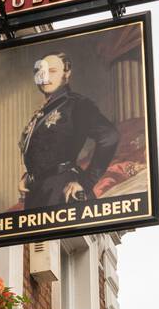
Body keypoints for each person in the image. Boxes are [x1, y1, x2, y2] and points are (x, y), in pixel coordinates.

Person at [17, 52, 119, 210]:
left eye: (52, 71)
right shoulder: (43, 111)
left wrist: (85, 182)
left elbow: (110, 136)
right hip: (37, 192)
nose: (45, 77)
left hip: (61, 189)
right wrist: (30, 175)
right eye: (41, 72)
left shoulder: (76, 104)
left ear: (66, 74)